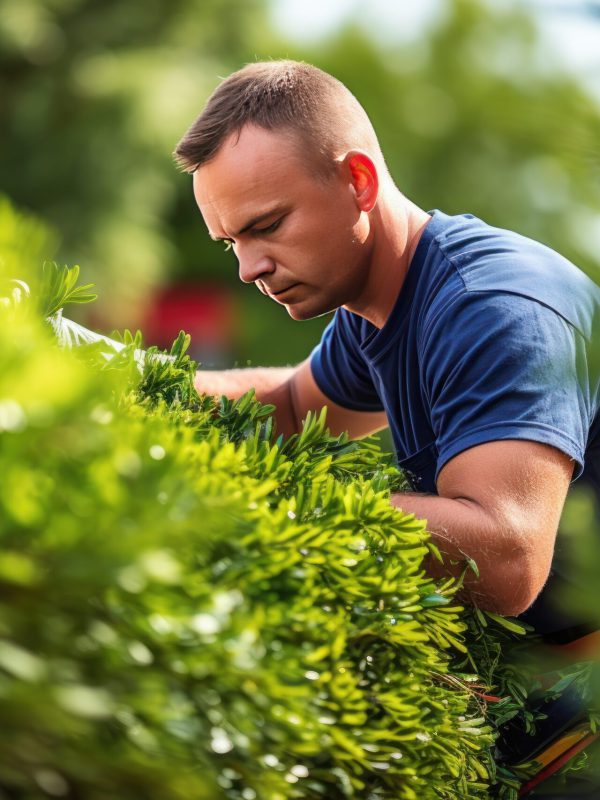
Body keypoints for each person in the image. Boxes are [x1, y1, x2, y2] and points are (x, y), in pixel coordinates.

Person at [174, 59, 600, 641]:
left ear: (359, 181)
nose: (251, 268)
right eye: (231, 244)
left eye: (268, 225)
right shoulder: (376, 308)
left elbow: (507, 559)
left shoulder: (491, 307)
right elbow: (295, 409)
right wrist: (117, 375)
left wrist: (257, 496)